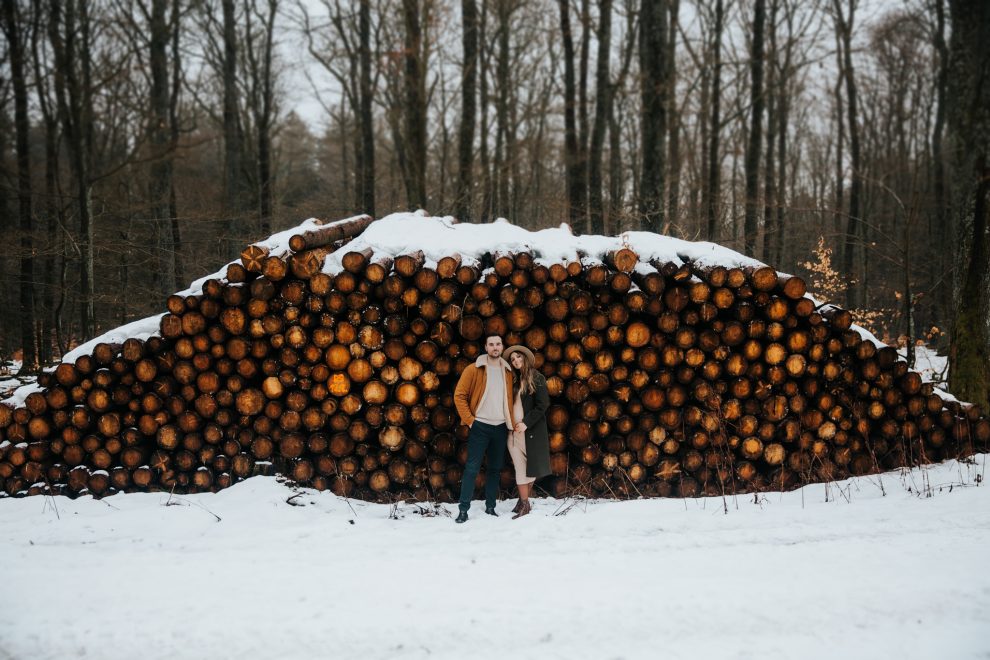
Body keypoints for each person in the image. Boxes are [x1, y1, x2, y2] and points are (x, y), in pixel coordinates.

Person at [452, 334, 516, 523]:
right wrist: (470, 421)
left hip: (500, 427)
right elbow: (459, 395)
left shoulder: (508, 371)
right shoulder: (473, 369)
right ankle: (463, 510)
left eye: (498, 344)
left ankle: (490, 507)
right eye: (491, 344)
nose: (495, 347)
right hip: (480, 425)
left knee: (495, 469)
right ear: (486, 347)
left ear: (502, 347)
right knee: (472, 469)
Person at [503, 345, 551, 519]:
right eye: (512, 359)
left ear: (525, 357)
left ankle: (524, 503)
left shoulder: (537, 378)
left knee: (529, 469)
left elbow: (543, 404)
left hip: (530, 432)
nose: (516, 361)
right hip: (513, 433)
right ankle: (524, 501)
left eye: (518, 357)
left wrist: (526, 423)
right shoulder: (514, 381)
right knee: (520, 468)